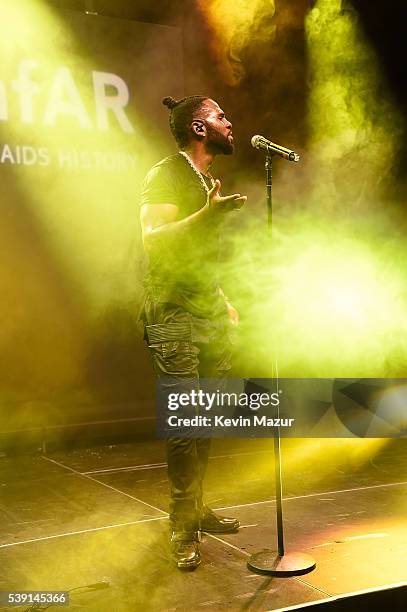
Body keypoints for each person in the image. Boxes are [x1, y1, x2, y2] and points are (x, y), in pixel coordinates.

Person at [139, 95, 247, 570]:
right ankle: (182, 523)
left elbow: (198, 256)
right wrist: (209, 214)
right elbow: (154, 239)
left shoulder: (207, 180)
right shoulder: (166, 173)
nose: (230, 122)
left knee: (207, 420)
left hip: (206, 311)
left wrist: (221, 298)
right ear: (199, 129)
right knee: (187, 423)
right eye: (220, 116)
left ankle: (197, 509)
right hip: (172, 312)